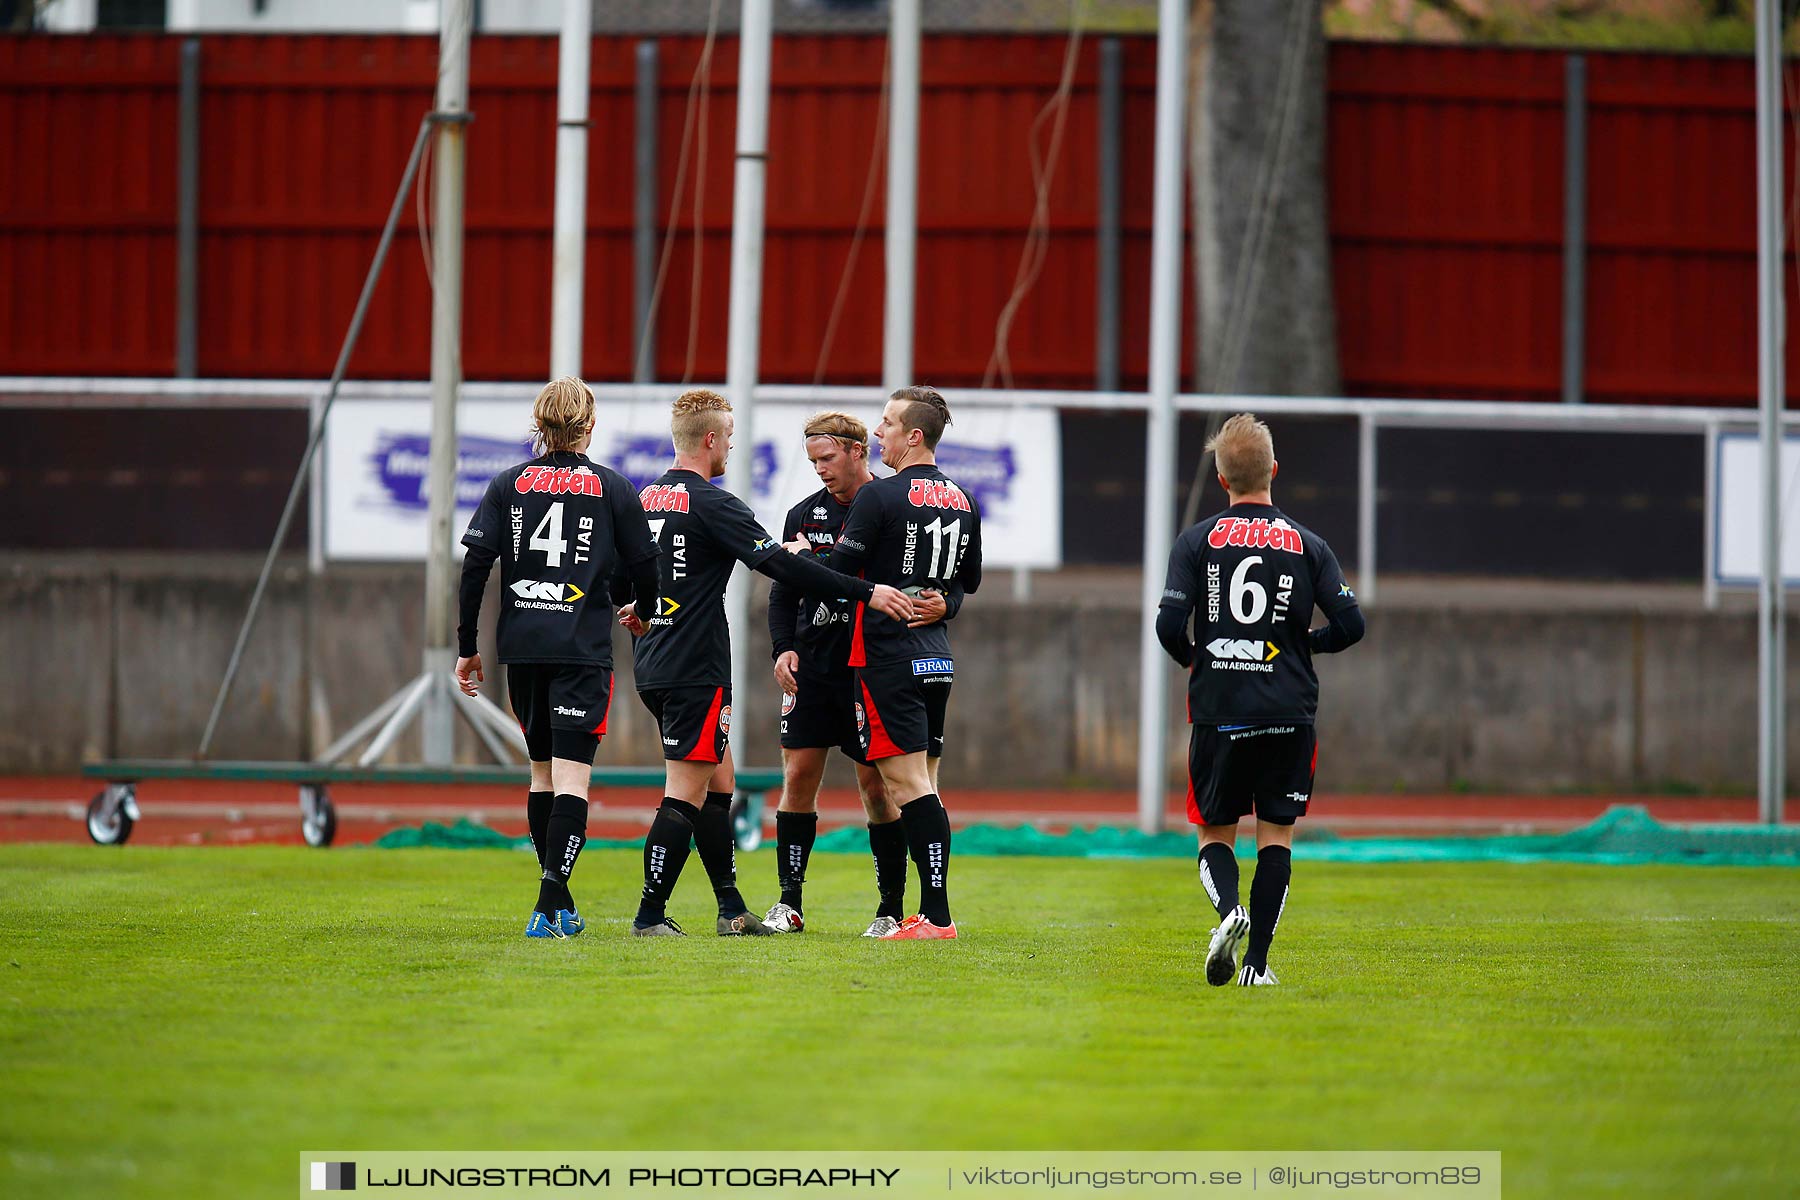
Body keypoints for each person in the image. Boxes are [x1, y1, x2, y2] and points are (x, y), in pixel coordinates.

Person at [618, 389, 916, 937]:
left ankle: (732, 908)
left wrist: (640, 607)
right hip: (694, 667)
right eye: (729, 437)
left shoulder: (645, 499)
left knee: (719, 784)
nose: (731, 445)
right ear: (710, 440)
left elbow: (625, 574)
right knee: (685, 790)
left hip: (653, 660)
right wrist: (866, 592)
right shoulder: (715, 504)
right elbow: (783, 570)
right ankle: (649, 915)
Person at [1155, 413, 1364, 986]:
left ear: (1222, 479)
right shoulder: (1308, 544)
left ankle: (1230, 914)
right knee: (1277, 836)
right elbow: (1352, 624)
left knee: (1213, 834)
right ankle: (1257, 965)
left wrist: (1198, 657)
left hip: (1220, 710)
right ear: (1274, 470)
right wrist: (1304, 645)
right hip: (1288, 711)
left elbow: (1169, 624)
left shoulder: (1196, 541)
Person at [454, 376, 660, 940]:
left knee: (541, 775)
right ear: (589, 426)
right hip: (581, 650)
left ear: (539, 426)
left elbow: (475, 567)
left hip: (521, 649)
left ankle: (559, 902)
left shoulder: (507, 484)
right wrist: (640, 608)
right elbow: (646, 562)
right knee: (572, 779)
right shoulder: (614, 488)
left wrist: (468, 646)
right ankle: (548, 907)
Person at [763, 412, 959, 937]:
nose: (819, 470)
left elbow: (874, 575)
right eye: (812, 461)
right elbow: (784, 588)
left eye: (826, 458)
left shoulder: (888, 504)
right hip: (814, 666)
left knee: (879, 789)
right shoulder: (802, 514)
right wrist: (782, 647)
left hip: (870, 664)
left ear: (856, 452)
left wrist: (948, 601)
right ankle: (789, 903)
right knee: (798, 776)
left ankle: (890, 908)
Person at [827, 385, 983, 940]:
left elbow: (841, 575)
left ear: (914, 436)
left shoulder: (880, 497)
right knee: (924, 785)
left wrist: (799, 560)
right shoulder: (962, 499)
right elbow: (967, 584)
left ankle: (937, 917)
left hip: (887, 654)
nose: (878, 433)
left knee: (907, 785)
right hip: (936, 658)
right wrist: (948, 603)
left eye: (888, 423)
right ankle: (925, 911)